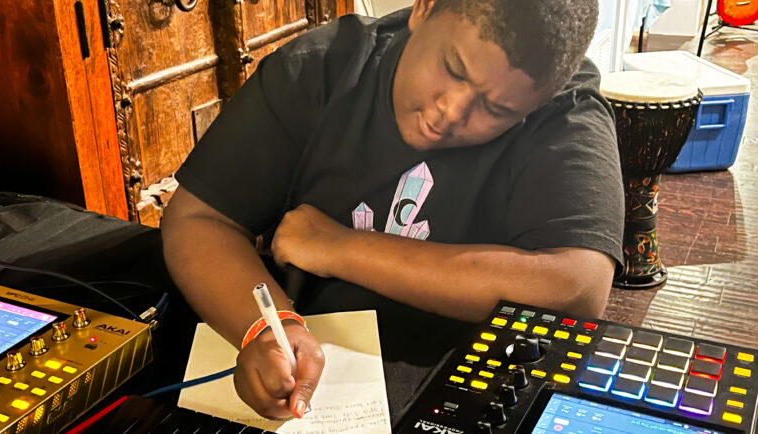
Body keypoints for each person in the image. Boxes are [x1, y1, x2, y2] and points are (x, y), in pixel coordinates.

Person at [161, 0, 623, 424]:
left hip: (462, 392)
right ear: (424, 8)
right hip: (311, 372)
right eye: (452, 68)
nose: (450, 112)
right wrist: (267, 327)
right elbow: (199, 219)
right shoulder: (321, 68)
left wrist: (338, 248)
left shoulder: (564, 112)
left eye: (495, 109)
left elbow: (578, 285)